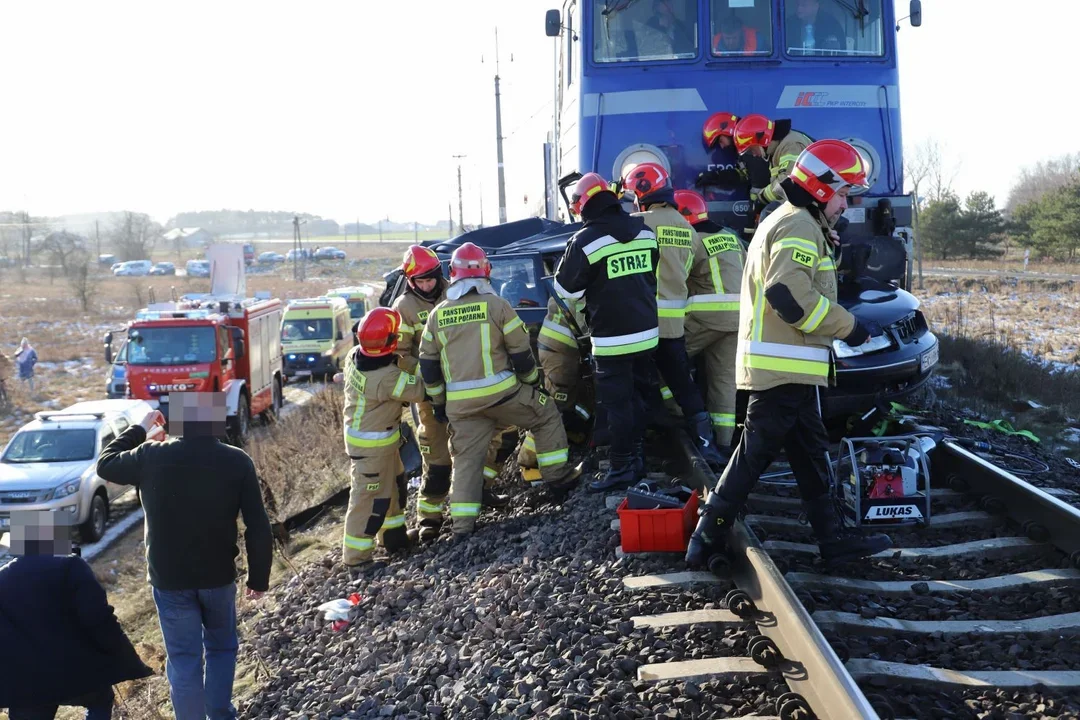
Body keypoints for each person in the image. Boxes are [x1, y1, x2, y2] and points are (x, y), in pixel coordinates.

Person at [684, 140, 894, 568]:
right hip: (783, 367)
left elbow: (793, 281)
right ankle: (706, 536)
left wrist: (826, 243)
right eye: (843, 195)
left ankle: (833, 540)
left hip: (790, 367)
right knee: (754, 454)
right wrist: (849, 327)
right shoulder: (798, 225)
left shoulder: (793, 220)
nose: (846, 205)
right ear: (821, 189)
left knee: (810, 454)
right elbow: (787, 294)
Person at [97, 391, 273, 720]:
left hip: (170, 580)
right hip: (218, 577)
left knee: (183, 658)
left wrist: (141, 427)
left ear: (176, 421)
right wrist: (258, 578)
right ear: (218, 420)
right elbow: (257, 526)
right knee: (221, 648)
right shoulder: (237, 461)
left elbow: (106, 464)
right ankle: (220, 714)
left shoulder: (150, 455)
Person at [419, 243, 581, 534]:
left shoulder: (437, 314)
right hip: (503, 394)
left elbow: (428, 366)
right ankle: (559, 478)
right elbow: (521, 353)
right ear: (486, 272)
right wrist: (533, 384)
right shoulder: (497, 305)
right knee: (545, 415)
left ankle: (462, 526)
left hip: (461, 406)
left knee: (467, 460)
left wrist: (440, 404)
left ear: (452, 274)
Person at [392, 245, 510, 543]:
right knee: (438, 458)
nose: (429, 284)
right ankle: (429, 519)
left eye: (432, 278)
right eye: (421, 281)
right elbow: (400, 356)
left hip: (471, 385)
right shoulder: (403, 309)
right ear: (410, 281)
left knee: (494, 438)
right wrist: (433, 372)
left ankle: (478, 490)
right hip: (432, 396)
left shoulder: (457, 291)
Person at [553, 173, 658, 490]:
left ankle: (622, 467)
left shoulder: (584, 240)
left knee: (617, 405)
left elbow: (565, 290)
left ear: (583, 204)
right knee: (640, 398)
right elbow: (651, 269)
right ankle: (638, 459)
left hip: (612, 338)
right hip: (647, 332)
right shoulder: (644, 230)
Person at [621, 162, 727, 470]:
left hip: (641, 323)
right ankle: (706, 444)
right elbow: (694, 271)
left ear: (641, 193)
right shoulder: (687, 227)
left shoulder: (636, 223)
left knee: (638, 387)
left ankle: (641, 451)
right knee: (684, 384)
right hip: (674, 325)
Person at [0, 511, 153, 720]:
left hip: (28, 684)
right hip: (80, 673)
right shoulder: (71, 567)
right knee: (100, 700)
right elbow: (99, 619)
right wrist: (128, 660)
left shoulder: (3, 578)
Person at [336, 308, 425, 565]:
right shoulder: (387, 379)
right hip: (371, 447)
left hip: (378, 443)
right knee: (368, 499)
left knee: (394, 487)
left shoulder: (354, 357)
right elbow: (420, 391)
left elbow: (388, 363)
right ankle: (356, 557)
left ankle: (394, 538)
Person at [675, 189, 745, 448]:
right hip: (740, 317)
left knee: (667, 363)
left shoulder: (690, 240)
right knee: (724, 383)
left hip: (705, 317)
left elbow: (675, 279)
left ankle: (675, 421)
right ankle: (724, 444)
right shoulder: (731, 237)